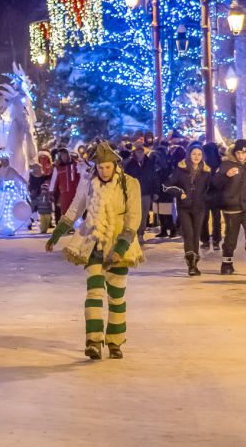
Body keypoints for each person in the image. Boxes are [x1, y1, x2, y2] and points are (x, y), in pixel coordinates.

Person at [45, 142, 143, 360]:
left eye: (107, 167)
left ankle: (115, 341)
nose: (104, 171)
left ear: (115, 165)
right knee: (94, 293)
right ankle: (93, 341)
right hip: (93, 244)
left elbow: (134, 217)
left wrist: (121, 246)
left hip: (119, 244)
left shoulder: (129, 184)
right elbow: (75, 207)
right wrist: (57, 233)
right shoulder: (88, 182)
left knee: (116, 297)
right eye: (100, 168)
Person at [214, 139, 246, 276]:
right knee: (231, 237)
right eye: (238, 153)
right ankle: (227, 263)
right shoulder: (226, 164)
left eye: (244, 153)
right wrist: (225, 176)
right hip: (231, 207)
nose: (241, 156)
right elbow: (215, 183)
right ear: (234, 152)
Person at [165, 145, 211, 276]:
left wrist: (206, 197)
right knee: (189, 235)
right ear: (189, 155)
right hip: (184, 208)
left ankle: (194, 264)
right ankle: (190, 264)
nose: (196, 157)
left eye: (199, 154)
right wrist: (180, 193)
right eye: (194, 154)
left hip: (199, 208)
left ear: (202, 156)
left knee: (196, 236)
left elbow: (212, 188)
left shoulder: (206, 172)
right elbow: (167, 186)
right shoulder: (181, 170)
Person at [123, 141, 158, 243]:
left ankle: (141, 234)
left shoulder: (149, 163)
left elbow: (154, 178)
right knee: (134, 214)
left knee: (144, 214)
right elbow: (126, 179)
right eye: (138, 152)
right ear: (134, 153)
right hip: (134, 194)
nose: (140, 154)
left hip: (146, 193)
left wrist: (155, 192)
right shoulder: (130, 165)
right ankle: (133, 233)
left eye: (142, 152)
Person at [200, 142, 224, 251]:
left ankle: (205, 240)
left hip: (205, 194)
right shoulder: (220, 163)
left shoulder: (203, 164)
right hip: (216, 194)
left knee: (204, 218)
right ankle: (216, 240)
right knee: (216, 218)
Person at [50, 147, 81, 222]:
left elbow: (81, 177)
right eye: (61, 155)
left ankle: (77, 227)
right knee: (64, 210)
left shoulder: (76, 165)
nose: (63, 157)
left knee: (75, 210)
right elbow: (54, 180)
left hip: (75, 192)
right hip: (64, 193)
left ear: (68, 155)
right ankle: (66, 227)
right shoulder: (57, 168)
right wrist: (51, 192)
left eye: (65, 155)